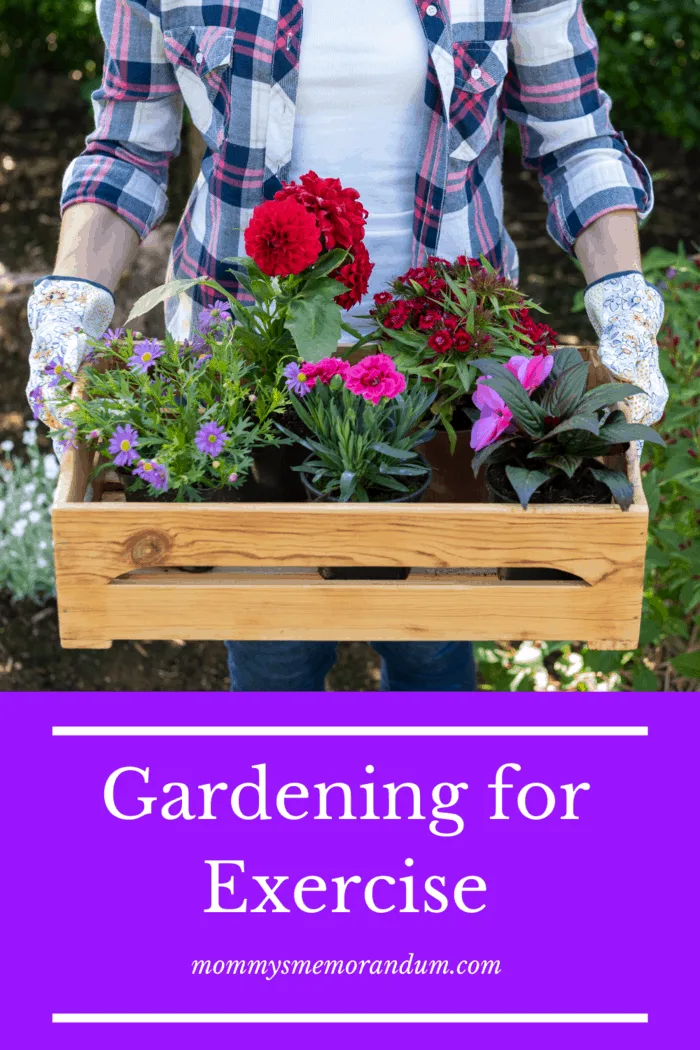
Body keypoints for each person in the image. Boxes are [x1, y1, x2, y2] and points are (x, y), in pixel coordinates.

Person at [27, 0, 668, 692]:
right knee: (275, 651)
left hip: (449, 372)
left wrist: (625, 302)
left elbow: (574, 136)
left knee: (431, 640)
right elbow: (128, 145)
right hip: (248, 368)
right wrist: (71, 304)